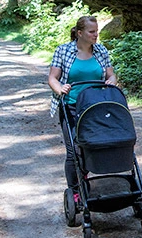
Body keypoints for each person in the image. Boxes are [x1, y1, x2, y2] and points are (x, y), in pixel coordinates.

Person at [48, 16, 117, 196]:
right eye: (92, 32)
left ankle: (88, 180)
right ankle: (75, 192)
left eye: (97, 31)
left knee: (93, 145)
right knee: (73, 151)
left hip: (96, 107)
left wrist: (111, 81)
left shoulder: (101, 51)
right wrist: (60, 88)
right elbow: (52, 78)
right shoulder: (63, 51)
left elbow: (111, 75)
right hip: (72, 107)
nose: (96, 35)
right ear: (80, 33)